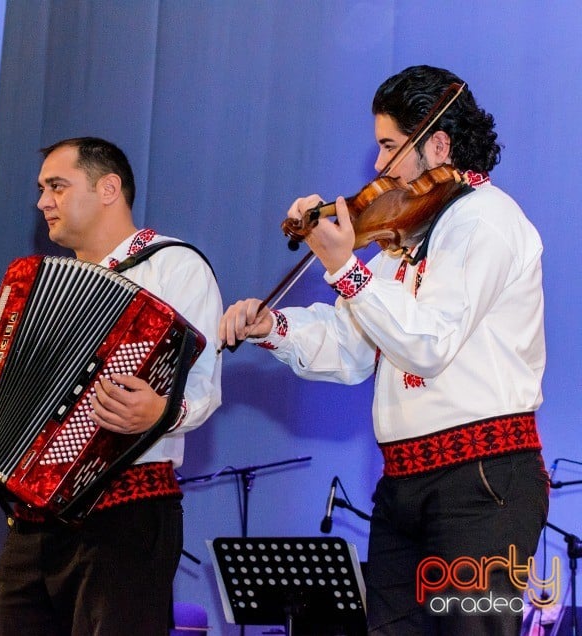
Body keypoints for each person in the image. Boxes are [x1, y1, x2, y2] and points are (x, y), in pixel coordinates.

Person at [219, 65, 548, 636]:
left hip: (481, 483)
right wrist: (273, 327)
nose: (377, 167)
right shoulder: (409, 234)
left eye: (390, 148)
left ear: (437, 144)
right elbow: (354, 347)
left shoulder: (487, 221)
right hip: (404, 484)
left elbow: (429, 343)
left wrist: (345, 266)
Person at [0, 137, 222, 635]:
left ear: (108, 188)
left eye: (56, 186)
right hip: (32, 518)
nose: (42, 201)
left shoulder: (175, 267)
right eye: (41, 189)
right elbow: (21, 381)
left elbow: (203, 390)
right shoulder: (43, 285)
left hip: (128, 511)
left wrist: (161, 411)